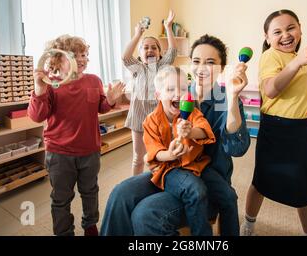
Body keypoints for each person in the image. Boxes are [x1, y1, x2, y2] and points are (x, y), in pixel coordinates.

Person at [100, 34, 251, 236]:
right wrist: (113, 102)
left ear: (222, 68)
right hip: (170, 170)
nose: (202, 67)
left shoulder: (227, 98)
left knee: (145, 214)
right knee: (121, 193)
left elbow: (237, 148)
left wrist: (232, 97)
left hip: (205, 181)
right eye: (196, 61)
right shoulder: (178, 90)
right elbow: (154, 113)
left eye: (211, 62)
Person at [240, 9, 307, 236]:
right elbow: (271, 89)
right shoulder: (272, 57)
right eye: (277, 31)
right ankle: (248, 224)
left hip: (303, 130)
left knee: (305, 189)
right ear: (267, 38)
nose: (285, 35)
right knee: (262, 181)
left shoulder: (305, 60)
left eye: (290, 28)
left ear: (300, 29)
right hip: (276, 130)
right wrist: (298, 61)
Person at [28, 35, 124, 236]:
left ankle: (90, 225)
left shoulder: (94, 80)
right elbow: (37, 116)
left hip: (89, 150)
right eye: (75, 54)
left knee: (90, 191)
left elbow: (102, 107)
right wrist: (39, 89)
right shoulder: (50, 84)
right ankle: (64, 232)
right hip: (59, 154)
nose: (82, 59)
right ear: (57, 59)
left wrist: (112, 100)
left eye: (85, 54)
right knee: (61, 198)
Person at [144, 66, 216, 235]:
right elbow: (154, 151)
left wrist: (190, 132)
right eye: (170, 89)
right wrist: (169, 154)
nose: (178, 93)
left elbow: (204, 130)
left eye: (183, 88)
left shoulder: (192, 113)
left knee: (202, 189)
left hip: (193, 167)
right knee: (195, 189)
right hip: (169, 170)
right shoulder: (150, 120)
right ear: (158, 95)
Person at [123, 10, 177, 175]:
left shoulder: (162, 66)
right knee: (138, 157)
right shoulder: (137, 68)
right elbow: (125, 57)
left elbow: (173, 51)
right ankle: (135, 184)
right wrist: (137, 35)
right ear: (140, 54)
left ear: (160, 54)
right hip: (138, 118)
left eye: (154, 47)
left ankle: (159, 180)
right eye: (145, 48)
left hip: (158, 119)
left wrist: (168, 27)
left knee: (159, 155)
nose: (150, 50)